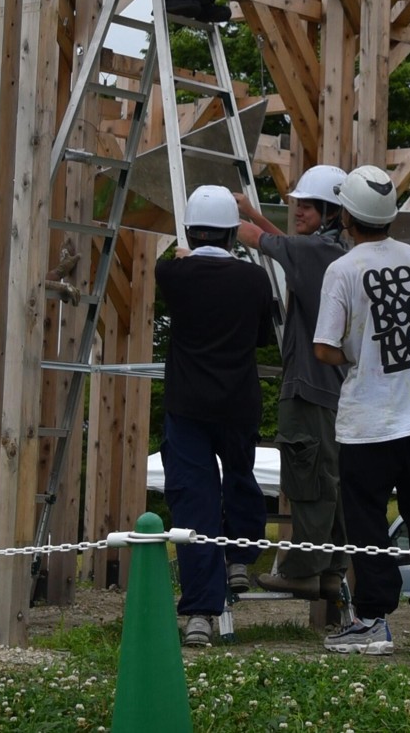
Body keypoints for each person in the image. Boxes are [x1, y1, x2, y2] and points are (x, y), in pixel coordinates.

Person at [312, 164, 410, 657]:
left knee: (367, 520)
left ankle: (373, 620)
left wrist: (363, 351)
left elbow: (324, 348)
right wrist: (408, 343)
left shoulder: (344, 269)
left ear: (347, 217)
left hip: (367, 422)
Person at [157, 184, 277, 647]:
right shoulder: (254, 281)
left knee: (195, 503)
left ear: (190, 229)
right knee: (242, 478)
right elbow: (264, 337)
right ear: (232, 234)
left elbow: (175, 262)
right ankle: (242, 556)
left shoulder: (172, 275)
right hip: (238, 402)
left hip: (187, 407)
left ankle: (201, 614)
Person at [234, 165, 351, 601]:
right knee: (331, 482)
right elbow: (286, 246)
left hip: (309, 385)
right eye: (296, 204)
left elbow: (263, 242)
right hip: (336, 390)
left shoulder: (314, 252)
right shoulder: (336, 248)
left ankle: (303, 570)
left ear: (332, 211)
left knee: (308, 481)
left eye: (306, 206)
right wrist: (255, 212)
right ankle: (331, 571)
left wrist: (225, 219)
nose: (297, 211)